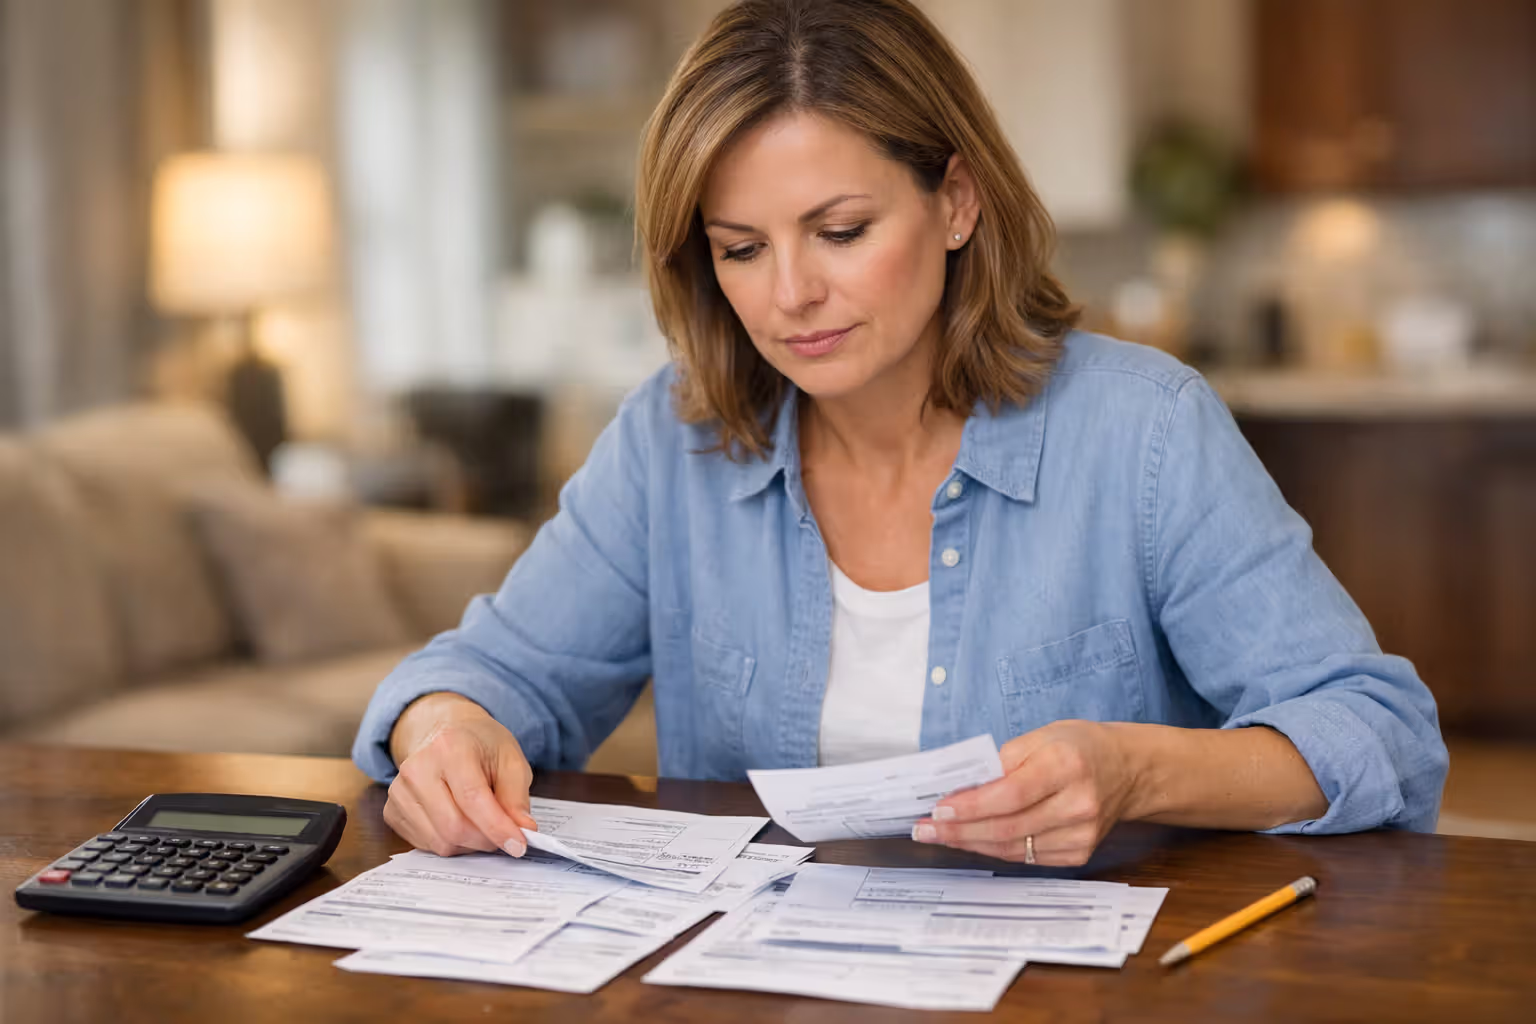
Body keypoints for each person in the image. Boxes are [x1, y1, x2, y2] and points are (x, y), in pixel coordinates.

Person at [353, 0, 1447, 867]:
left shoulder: (1143, 431)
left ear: (956, 202)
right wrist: (447, 731)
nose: (790, 295)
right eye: (740, 248)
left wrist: (1134, 770)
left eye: (841, 231)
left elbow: (1381, 733)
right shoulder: (672, 441)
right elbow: (491, 673)